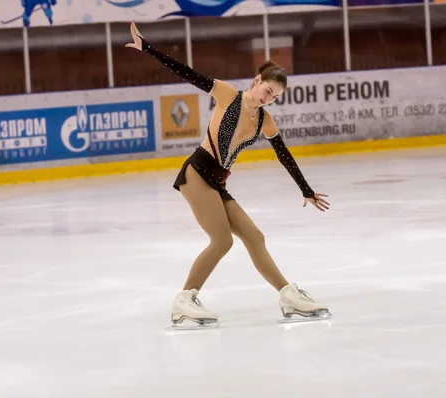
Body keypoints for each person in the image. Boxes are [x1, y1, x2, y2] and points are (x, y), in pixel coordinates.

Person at [126, 22, 332, 326]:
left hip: (218, 182)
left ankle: (288, 295)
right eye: (268, 90)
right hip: (197, 173)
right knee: (222, 241)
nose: (269, 98)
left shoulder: (265, 120)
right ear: (257, 80)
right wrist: (148, 49)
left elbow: (284, 155)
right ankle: (184, 300)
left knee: (255, 237)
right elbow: (187, 72)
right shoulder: (227, 95)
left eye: (275, 97)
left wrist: (306, 190)